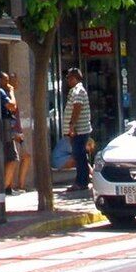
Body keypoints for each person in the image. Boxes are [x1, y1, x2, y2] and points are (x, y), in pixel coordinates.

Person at [62, 67, 93, 195]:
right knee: (80, 157)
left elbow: (77, 107)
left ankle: (81, 182)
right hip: (79, 130)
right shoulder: (76, 90)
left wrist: (72, 125)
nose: (67, 80)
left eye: (69, 77)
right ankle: (82, 181)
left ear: (75, 78)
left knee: (79, 157)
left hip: (79, 131)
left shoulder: (78, 90)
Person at [0, 72, 23, 194]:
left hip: (4, 127)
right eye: (5, 80)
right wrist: (12, 92)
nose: (7, 84)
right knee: (13, 157)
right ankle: (3, 187)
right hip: (5, 127)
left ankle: (8, 188)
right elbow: (13, 106)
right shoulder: (1, 92)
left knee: (7, 158)